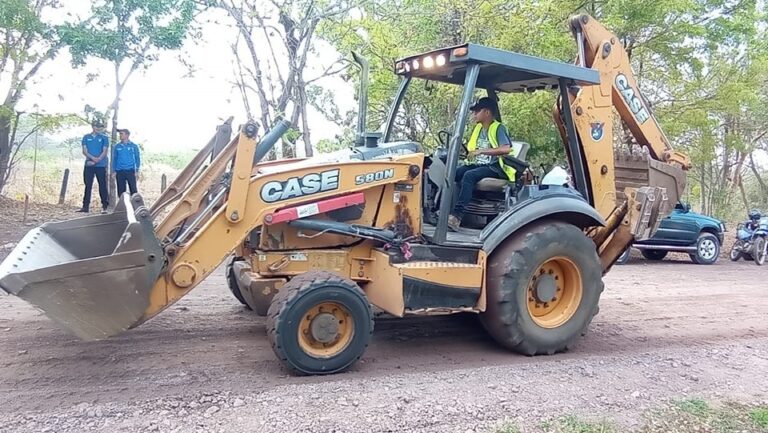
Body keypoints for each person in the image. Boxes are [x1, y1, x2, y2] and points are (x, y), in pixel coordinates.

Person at [447, 97, 520, 231]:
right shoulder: (478, 129)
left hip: (496, 168)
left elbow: (506, 149)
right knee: (454, 172)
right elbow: (471, 149)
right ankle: (444, 210)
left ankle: (456, 217)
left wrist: (481, 151)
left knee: (469, 175)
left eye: (476, 111)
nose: (474, 114)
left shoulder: (498, 128)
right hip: (481, 165)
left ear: (487, 112)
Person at [78, 119, 110, 214]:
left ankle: (105, 206)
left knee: (102, 185)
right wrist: (92, 159)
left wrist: (97, 160)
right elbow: (84, 151)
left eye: (100, 127)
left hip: (101, 165)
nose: (99, 129)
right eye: (97, 127)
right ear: (93, 127)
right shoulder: (86, 137)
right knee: (88, 185)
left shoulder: (104, 138)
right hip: (89, 165)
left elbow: (104, 151)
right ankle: (85, 206)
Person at [112, 128, 141, 198]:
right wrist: (114, 171)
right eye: (120, 134)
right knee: (121, 191)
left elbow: (137, 158)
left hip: (130, 170)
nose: (120, 135)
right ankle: (122, 206)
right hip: (120, 171)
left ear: (127, 135)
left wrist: (137, 170)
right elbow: (114, 159)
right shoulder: (117, 146)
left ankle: (135, 206)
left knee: (133, 189)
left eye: (122, 134)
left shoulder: (133, 146)